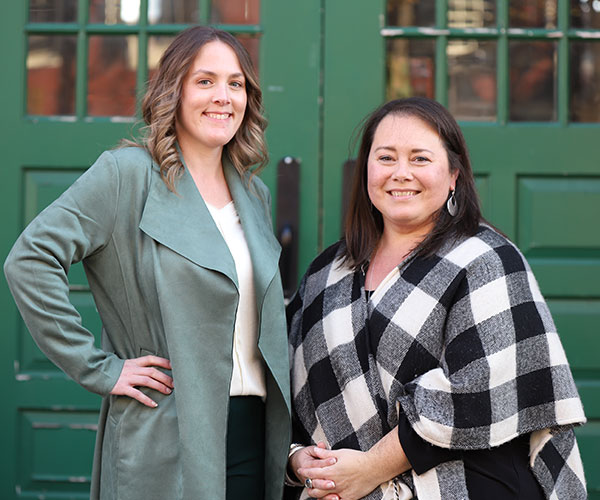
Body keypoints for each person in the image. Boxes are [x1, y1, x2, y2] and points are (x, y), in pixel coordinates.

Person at [4, 26, 290, 500]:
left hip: (251, 433)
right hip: (165, 434)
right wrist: (100, 367)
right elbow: (30, 259)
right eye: (205, 81)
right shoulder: (126, 175)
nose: (223, 97)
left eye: (235, 84)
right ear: (172, 90)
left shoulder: (252, 193)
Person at [285, 97, 586, 500]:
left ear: (453, 176)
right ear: (366, 172)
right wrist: (296, 458)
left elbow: (476, 390)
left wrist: (372, 468)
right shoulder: (326, 272)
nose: (401, 173)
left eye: (420, 159)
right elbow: (286, 385)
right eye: (386, 157)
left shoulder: (487, 260)